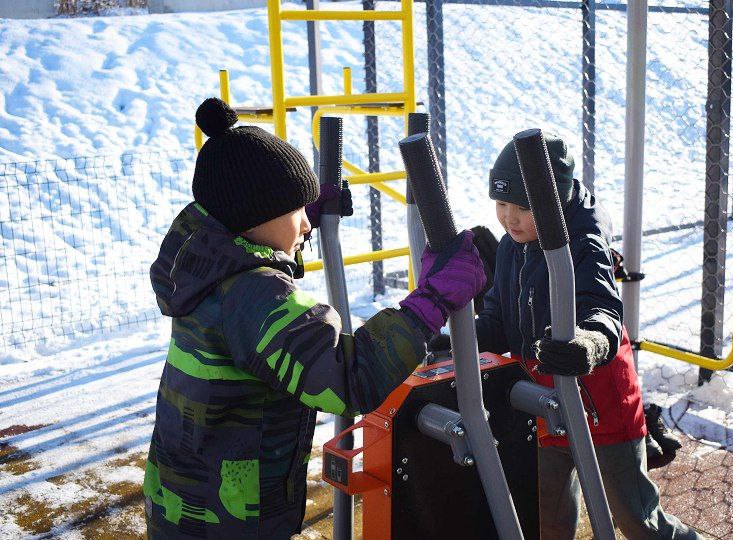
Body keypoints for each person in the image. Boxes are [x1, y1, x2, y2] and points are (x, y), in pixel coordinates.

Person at [143, 98, 486, 539]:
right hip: (227, 521)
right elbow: (350, 376)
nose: (306, 224)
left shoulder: (202, 258)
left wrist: (297, 204)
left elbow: (254, 237)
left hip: (182, 499)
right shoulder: (253, 295)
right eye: (296, 213)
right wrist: (431, 300)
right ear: (256, 217)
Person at [439, 133, 702, 539]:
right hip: (544, 402)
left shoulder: (583, 243)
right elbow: (498, 319)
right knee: (548, 515)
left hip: (599, 398)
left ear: (553, 201)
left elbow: (603, 308)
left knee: (637, 520)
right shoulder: (513, 245)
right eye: (502, 203)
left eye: (523, 207)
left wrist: (591, 342)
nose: (509, 217)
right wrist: (455, 340)